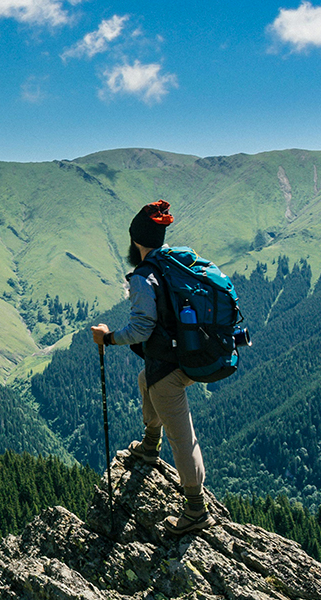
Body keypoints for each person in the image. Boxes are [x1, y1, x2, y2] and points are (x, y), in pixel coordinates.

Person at [88, 199, 215, 535]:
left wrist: (108, 337)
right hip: (192, 352)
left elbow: (142, 329)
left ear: (135, 241)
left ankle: (195, 510)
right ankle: (148, 446)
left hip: (171, 366)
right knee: (147, 380)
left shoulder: (145, 276)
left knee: (182, 437)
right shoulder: (176, 261)